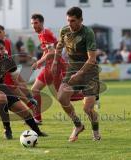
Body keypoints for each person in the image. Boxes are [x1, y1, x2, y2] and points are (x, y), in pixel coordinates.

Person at [51, 7, 102, 142]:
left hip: (89, 71)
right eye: (68, 20)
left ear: (81, 20)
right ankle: (78, 125)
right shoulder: (65, 30)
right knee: (61, 97)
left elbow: (92, 59)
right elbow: (59, 46)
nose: (70, 24)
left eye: (73, 21)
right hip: (72, 68)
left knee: (87, 109)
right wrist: (55, 61)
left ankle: (96, 131)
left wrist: (80, 73)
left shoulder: (88, 33)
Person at [30, 13, 70, 124]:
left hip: (55, 66)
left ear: (42, 23)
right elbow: (47, 51)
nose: (34, 26)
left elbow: (52, 52)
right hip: (50, 65)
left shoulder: (45, 34)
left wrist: (38, 62)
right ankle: (37, 119)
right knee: (35, 90)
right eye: (32, 23)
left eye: (36, 23)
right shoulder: (42, 33)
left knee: (63, 95)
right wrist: (40, 62)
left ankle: (88, 93)